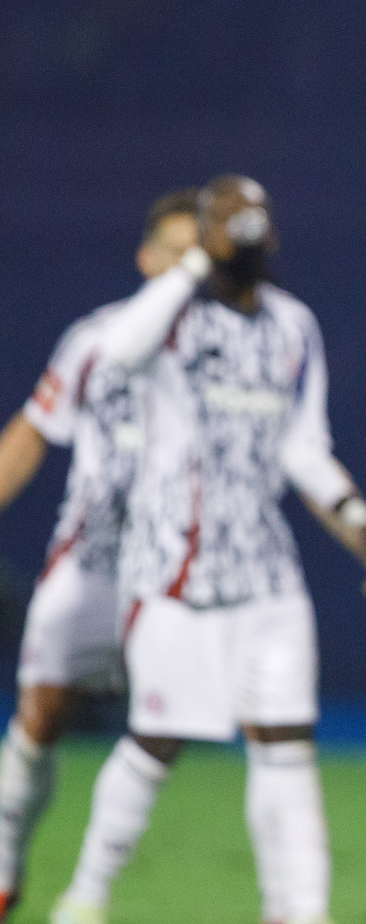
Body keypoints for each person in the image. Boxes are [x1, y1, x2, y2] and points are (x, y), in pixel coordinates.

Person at [49, 176, 366, 924]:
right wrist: (195, 260)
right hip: (172, 572)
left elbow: (304, 449)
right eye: (229, 230)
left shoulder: (294, 325)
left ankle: (299, 911)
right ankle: (87, 895)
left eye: (253, 229)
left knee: (287, 745)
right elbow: (117, 353)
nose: (244, 242)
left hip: (266, 577)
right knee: (156, 739)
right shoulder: (170, 317)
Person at [0, 190, 198, 919]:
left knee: (166, 725)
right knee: (41, 719)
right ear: (147, 259)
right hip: (92, 561)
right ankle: (5, 860)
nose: (189, 265)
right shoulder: (97, 338)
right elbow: (31, 431)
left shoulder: (237, 341)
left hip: (190, 573)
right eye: (176, 250)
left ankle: (87, 897)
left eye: (200, 251)